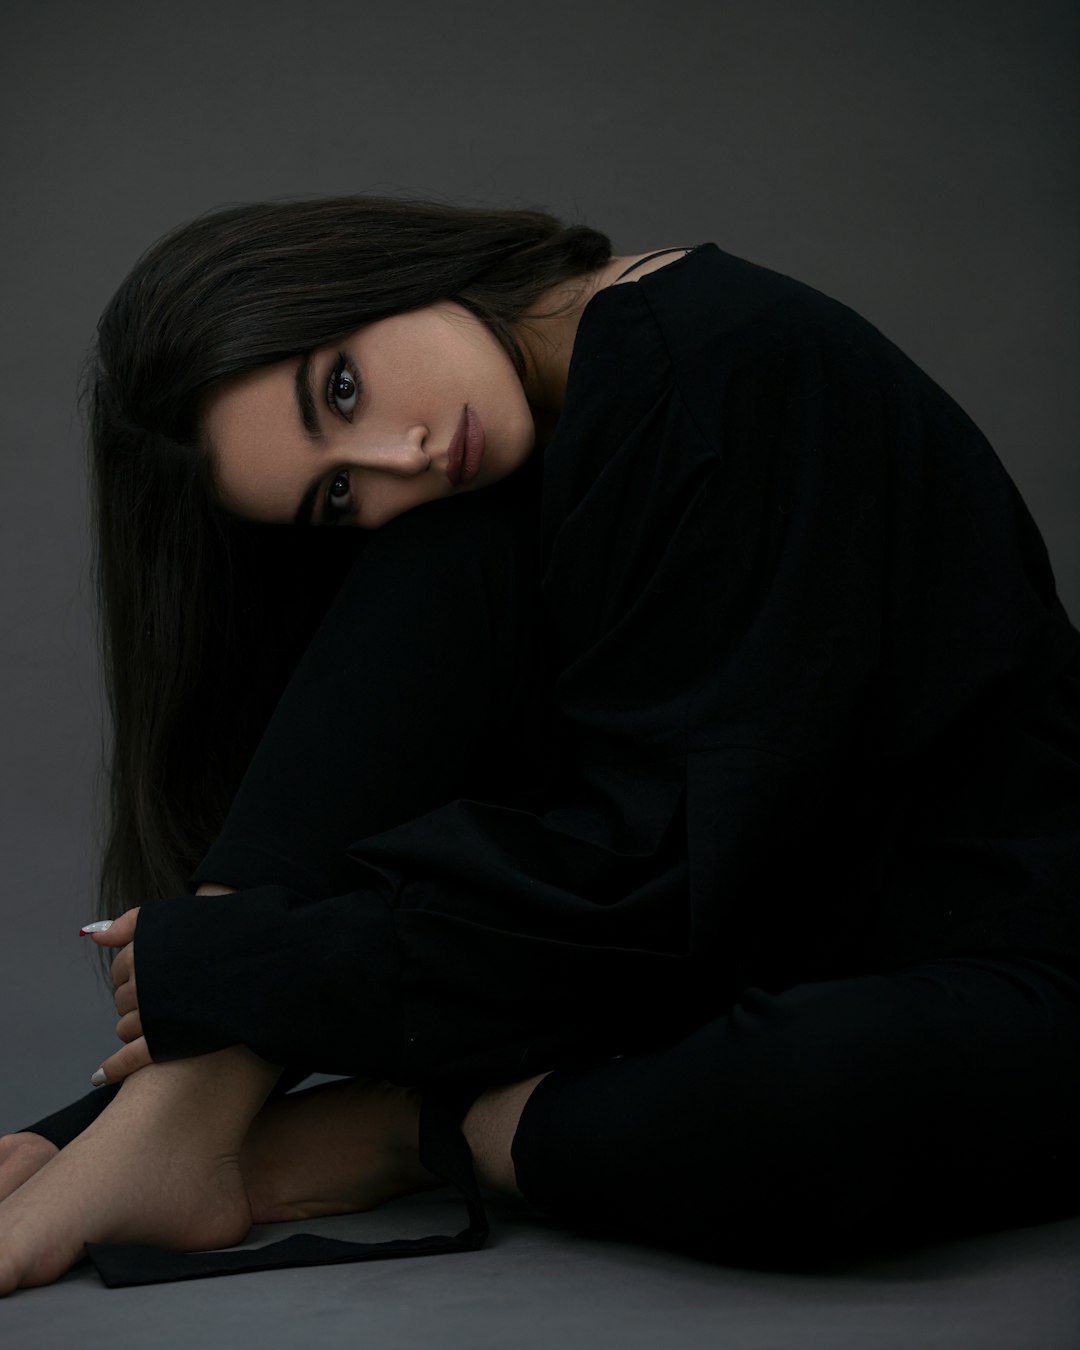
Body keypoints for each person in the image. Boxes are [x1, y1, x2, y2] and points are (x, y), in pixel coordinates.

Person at [2, 196, 1079, 1295]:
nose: (400, 454)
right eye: (335, 491)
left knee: (814, 1096)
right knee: (442, 537)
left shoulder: (722, 363)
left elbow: (678, 892)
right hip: (759, 933)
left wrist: (258, 968)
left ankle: (405, 1130)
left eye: (340, 388)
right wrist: (220, 987)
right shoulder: (531, 435)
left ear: (358, 277)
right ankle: (173, 1114)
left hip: (997, 964)